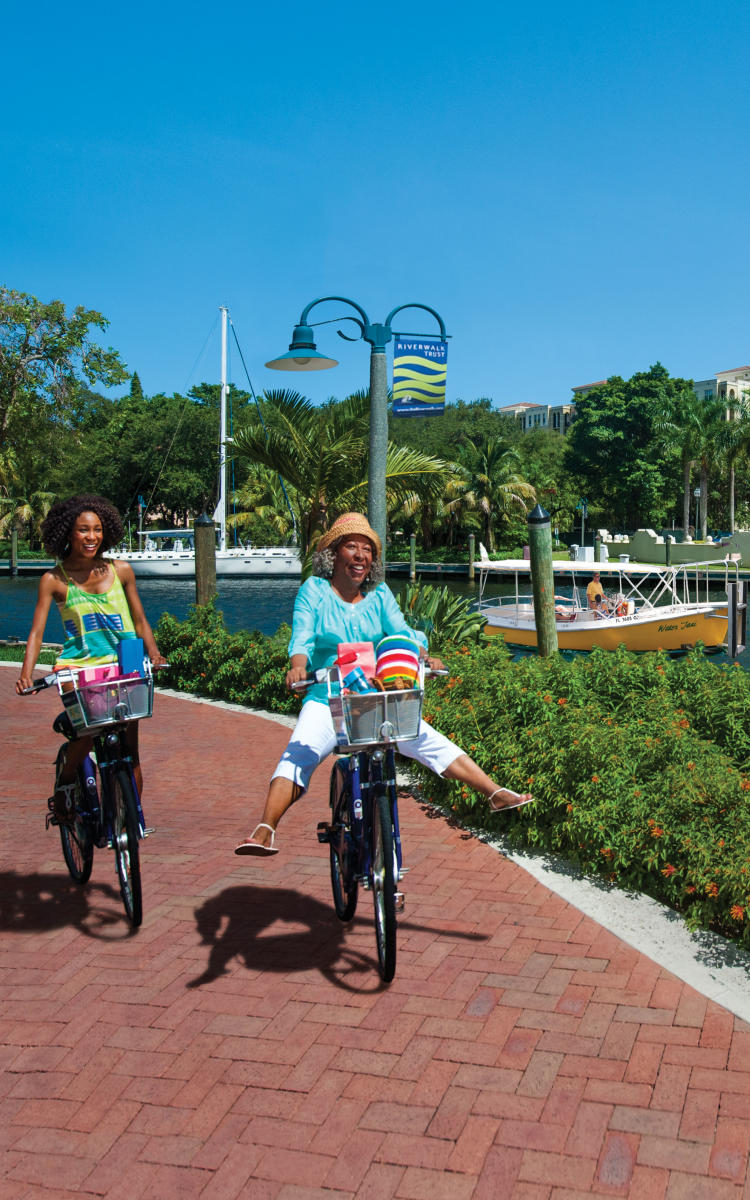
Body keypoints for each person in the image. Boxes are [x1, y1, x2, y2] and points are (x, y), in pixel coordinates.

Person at [235, 512, 532, 856]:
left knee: (426, 738)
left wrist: (423, 656)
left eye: (367, 550)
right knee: (299, 753)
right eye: (351, 547)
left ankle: (493, 793)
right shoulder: (314, 590)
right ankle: (266, 827)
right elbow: (301, 636)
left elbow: (401, 633)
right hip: (327, 697)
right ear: (333, 554)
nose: (361, 556)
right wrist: (298, 667)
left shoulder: (379, 595)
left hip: (374, 697)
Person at [16, 495, 166, 821]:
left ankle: (129, 825)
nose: (91, 537)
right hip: (79, 666)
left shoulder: (121, 570)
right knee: (87, 735)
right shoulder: (54, 580)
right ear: (67, 533)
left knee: (131, 752)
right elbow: (36, 633)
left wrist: (153, 653)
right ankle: (66, 782)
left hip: (125, 661)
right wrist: (27, 673)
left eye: (97, 530)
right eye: (83, 530)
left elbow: (139, 620)